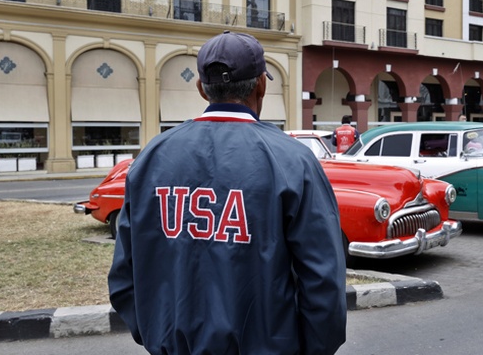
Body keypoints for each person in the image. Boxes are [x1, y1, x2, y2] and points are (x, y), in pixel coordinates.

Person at [108, 31, 347, 355]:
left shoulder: (151, 157)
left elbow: (124, 276)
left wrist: (156, 335)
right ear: (262, 85)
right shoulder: (293, 161)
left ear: (202, 89)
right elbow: (324, 280)